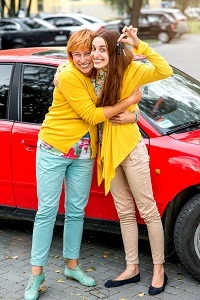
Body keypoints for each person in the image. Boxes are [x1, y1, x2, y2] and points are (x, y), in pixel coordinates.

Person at [24, 29, 141, 300]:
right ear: (70, 56)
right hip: (54, 149)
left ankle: (72, 265)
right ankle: (35, 274)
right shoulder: (67, 75)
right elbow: (91, 114)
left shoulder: (99, 75)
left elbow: (129, 62)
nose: (82, 59)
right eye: (75, 55)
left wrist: (132, 42)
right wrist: (130, 101)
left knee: (76, 211)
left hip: (85, 153)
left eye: (86, 53)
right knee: (46, 213)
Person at [89, 27, 173, 295]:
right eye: (94, 49)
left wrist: (140, 45)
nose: (96, 54)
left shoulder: (132, 71)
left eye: (102, 49)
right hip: (108, 150)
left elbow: (165, 70)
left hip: (131, 147)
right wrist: (58, 75)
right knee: (124, 212)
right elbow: (71, 68)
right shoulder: (94, 75)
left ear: (114, 51)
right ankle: (132, 267)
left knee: (147, 210)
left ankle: (159, 269)